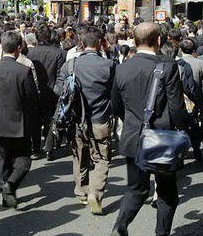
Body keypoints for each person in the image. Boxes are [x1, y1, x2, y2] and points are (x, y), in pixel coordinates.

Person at [111, 22, 188, 236]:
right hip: (162, 137)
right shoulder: (168, 66)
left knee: (136, 189)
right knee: (166, 193)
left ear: (134, 41)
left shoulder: (121, 68)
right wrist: (184, 129)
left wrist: (131, 122)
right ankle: (161, 233)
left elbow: (116, 104)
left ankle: (120, 225)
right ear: (159, 40)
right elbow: (176, 107)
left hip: (134, 136)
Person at [55, 26, 114, 215]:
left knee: (79, 155)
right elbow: (116, 93)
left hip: (76, 119)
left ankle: (81, 191)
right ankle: (95, 194)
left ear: (81, 42)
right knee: (102, 158)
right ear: (99, 43)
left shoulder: (70, 65)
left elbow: (58, 90)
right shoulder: (109, 66)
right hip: (101, 118)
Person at [0, 31, 39, 208]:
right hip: (20, 123)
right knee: (23, 159)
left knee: (2, 160)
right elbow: (31, 99)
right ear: (17, 49)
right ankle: (11, 184)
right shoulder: (24, 71)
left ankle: (4, 192)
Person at [27, 24, 66, 160]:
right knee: (50, 119)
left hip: (33, 92)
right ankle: (49, 148)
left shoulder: (30, 53)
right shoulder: (58, 53)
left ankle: (35, 148)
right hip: (51, 91)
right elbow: (60, 75)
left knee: (35, 120)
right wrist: (57, 91)